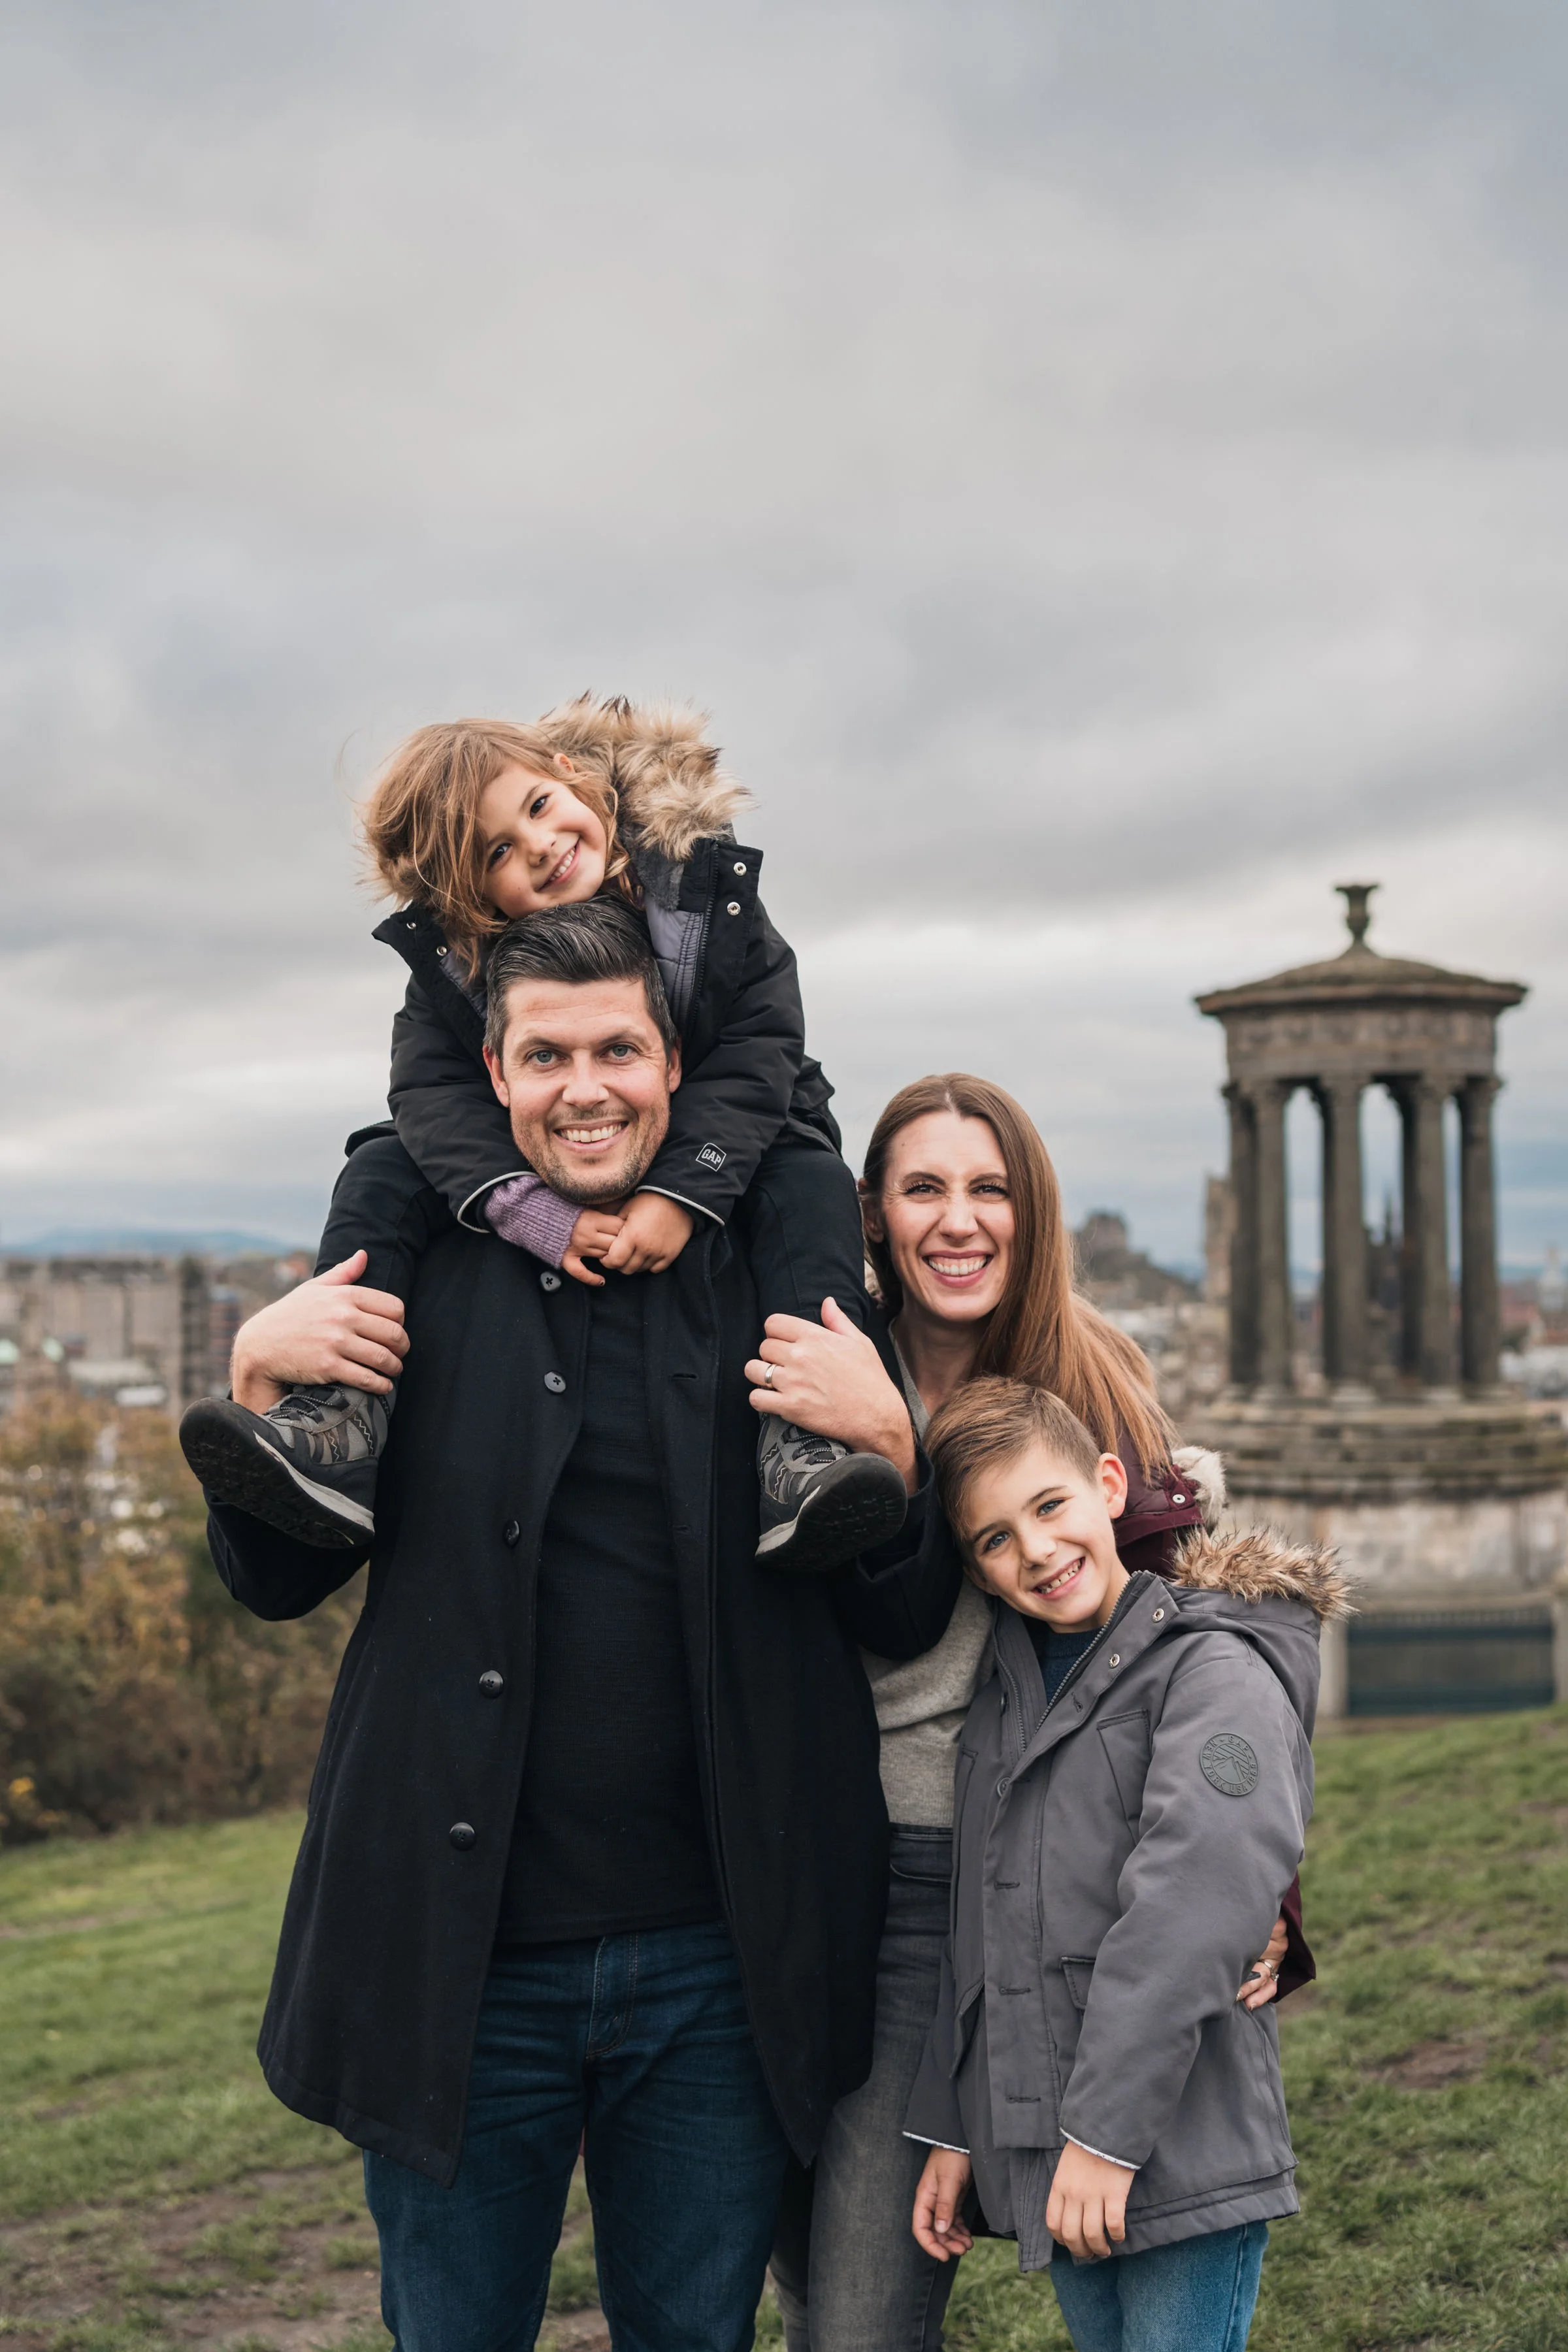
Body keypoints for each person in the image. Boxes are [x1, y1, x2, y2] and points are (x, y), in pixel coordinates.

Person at [198, 899, 935, 2352]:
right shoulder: (419, 1269)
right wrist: (259, 1381)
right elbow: (274, 1581)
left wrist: (897, 1458)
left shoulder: (775, 1278)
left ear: (673, 1065)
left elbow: (900, 1612)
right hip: (459, 1972)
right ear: (494, 1073)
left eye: (617, 1048)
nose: (584, 1087)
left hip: (720, 1965)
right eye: (546, 1056)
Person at [749, 1074, 1310, 2352]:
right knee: (797, 2271)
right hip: (786, 1871)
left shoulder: (1094, 1379)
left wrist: (1270, 1890)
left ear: (1032, 1209)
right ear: (874, 1217)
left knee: (863, 2318)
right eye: (925, 1189)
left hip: (961, 1873)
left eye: (990, 1188)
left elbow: (1187, 1642)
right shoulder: (820, 1361)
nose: (960, 1221)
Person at [180, 697, 906, 1575]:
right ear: (475, 899)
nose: (539, 848)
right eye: (498, 853)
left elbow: (761, 1043)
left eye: (533, 810)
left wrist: (684, 1191)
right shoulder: (458, 966)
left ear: (570, 776)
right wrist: (528, 1212)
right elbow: (428, 1096)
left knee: (810, 1183)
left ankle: (808, 1442)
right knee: (381, 1165)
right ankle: (335, 1414)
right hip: (528, 1177)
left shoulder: (697, 887)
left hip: (748, 1124)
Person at [907, 1378, 1347, 2351]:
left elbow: (1191, 1908)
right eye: (996, 1539)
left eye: (1050, 1505)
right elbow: (972, 1929)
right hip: (1058, 2160)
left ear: (1110, 1485)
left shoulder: (1215, 1670)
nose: (1036, 1551)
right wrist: (951, 2127)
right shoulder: (1004, 1705)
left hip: (1174, 2143)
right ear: (977, 1572)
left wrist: (1103, 2140)